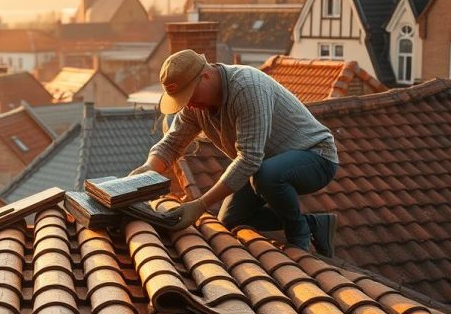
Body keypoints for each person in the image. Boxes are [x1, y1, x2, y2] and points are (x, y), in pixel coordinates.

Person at [130, 49, 339, 255]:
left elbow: (249, 159)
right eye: (183, 100)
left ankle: (299, 238)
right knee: (231, 220)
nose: (189, 104)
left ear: (206, 75)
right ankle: (314, 224)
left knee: (267, 175)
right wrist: (148, 170)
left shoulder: (247, 88)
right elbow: (171, 145)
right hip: (264, 168)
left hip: (316, 157)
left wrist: (200, 205)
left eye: (190, 95)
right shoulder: (195, 107)